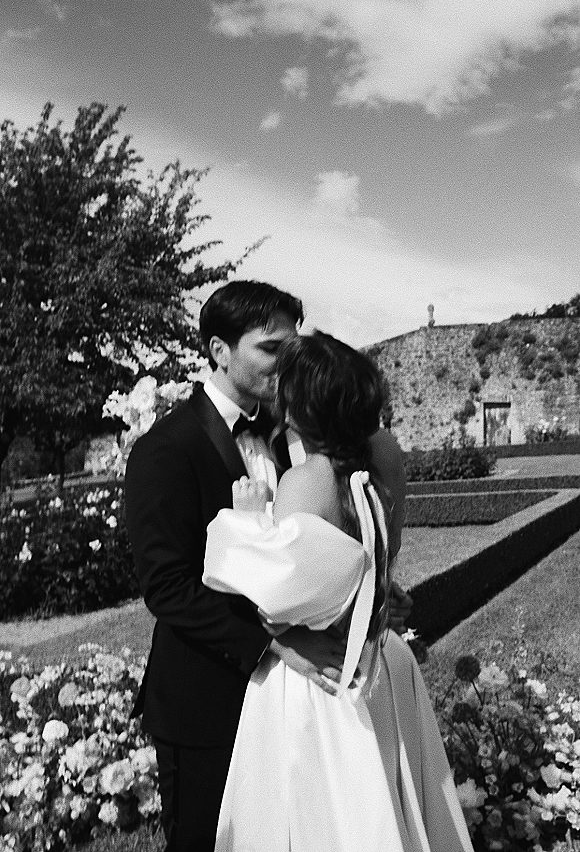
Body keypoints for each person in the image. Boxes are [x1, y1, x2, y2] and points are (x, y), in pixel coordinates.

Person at [124, 280, 412, 852]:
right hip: (208, 698)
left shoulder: (294, 436)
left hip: (294, 704)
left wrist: (363, 590)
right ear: (219, 351)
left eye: (292, 346)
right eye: (272, 348)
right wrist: (275, 644)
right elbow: (167, 586)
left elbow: (306, 546)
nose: (288, 362)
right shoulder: (166, 448)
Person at [203, 331, 474, 852]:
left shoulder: (306, 481)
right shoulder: (385, 455)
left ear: (296, 405)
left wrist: (249, 520)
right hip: (382, 659)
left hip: (325, 674)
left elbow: (278, 606)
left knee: (326, 820)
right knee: (389, 802)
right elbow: (375, 558)